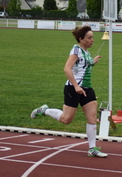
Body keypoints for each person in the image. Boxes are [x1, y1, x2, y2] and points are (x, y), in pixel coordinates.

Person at [30, 26, 107, 158]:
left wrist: (93, 62)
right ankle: (44, 110)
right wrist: (76, 86)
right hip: (73, 88)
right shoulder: (76, 50)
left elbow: (83, 67)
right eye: (89, 38)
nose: (92, 40)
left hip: (87, 89)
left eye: (92, 37)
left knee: (92, 118)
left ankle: (92, 148)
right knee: (66, 119)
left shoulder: (87, 52)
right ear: (81, 39)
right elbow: (67, 68)